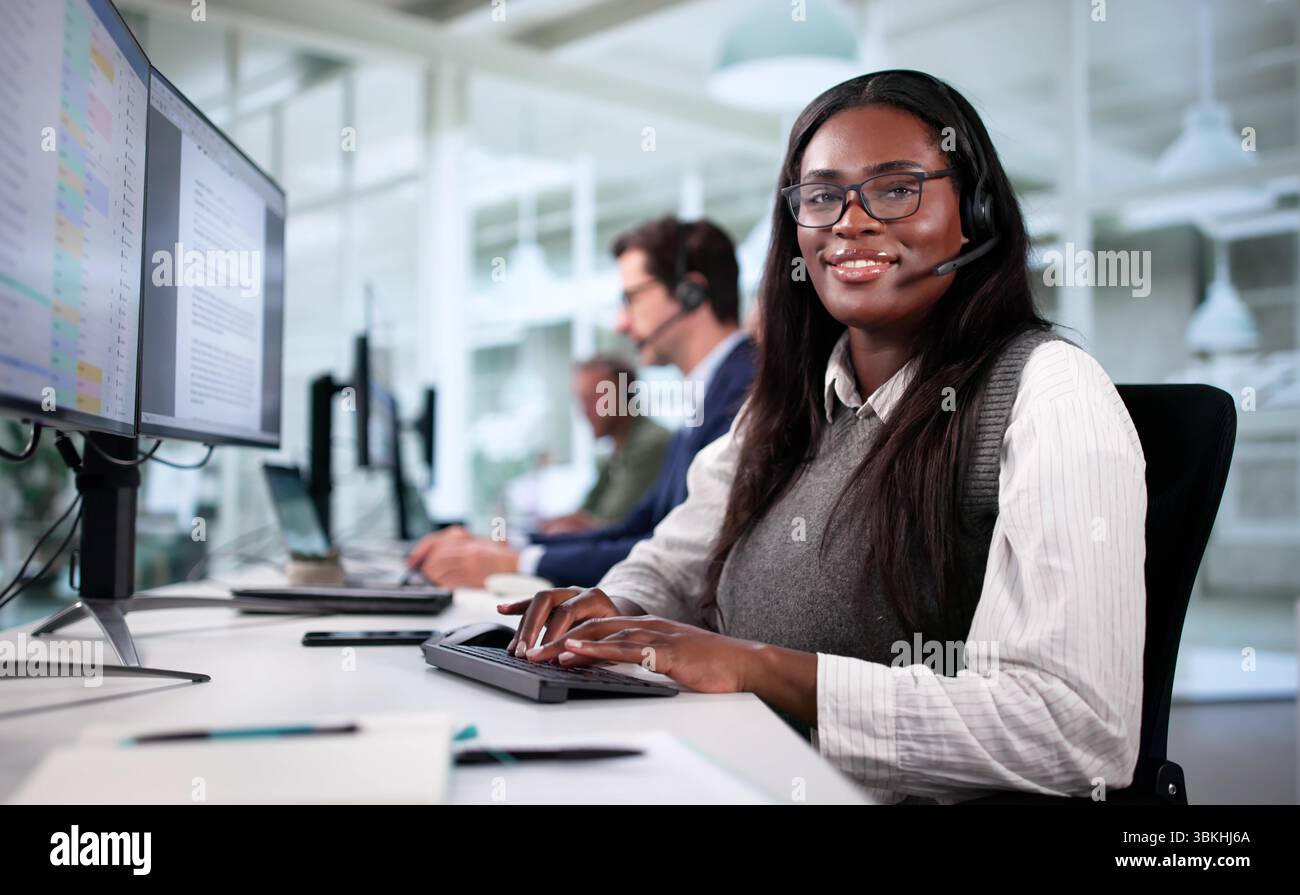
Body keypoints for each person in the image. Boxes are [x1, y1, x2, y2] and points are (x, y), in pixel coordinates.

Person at [498, 70, 1147, 804]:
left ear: (975, 212)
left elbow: (1079, 730)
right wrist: (609, 609)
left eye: (896, 187)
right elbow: (673, 564)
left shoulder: (1050, 392)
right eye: (821, 195)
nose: (851, 221)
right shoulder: (784, 404)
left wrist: (760, 667)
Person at [407, 216, 756, 589]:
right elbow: (640, 529)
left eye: (632, 298)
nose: (622, 323)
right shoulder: (710, 391)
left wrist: (517, 562)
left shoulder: (749, 389)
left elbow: (681, 554)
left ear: (691, 294)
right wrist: (509, 546)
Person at [538, 355, 673, 535]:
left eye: (594, 399)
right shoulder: (616, 451)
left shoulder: (651, 445)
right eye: (580, 400)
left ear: (625, 395)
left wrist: (581, 524)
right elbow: (588, 514)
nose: (584, 412)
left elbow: (614, 525)